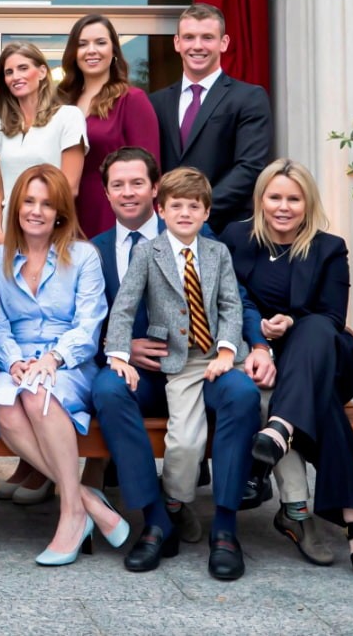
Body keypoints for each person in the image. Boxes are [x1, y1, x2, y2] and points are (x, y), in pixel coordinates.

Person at [89, 148, 274, 572]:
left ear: (153, 188)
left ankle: (225, 527)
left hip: (210, 361)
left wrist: (253, 347)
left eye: (137, 182)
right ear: (106, 193)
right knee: (109, 389)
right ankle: (157, 519)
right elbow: (111, 309)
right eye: (118, 184)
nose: (127, 192)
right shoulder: (96, 249)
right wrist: (119, 349)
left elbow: (234, 302)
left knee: (242, 393)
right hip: (146, 369)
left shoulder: (213, 249)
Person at [222, 159, 353, 580]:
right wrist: (259, 335)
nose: (283, 206)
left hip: (325, 363)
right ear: (260, 199)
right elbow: (228, 301)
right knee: (323, 407)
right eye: (275, 197)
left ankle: (279, 426)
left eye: (293, 198)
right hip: (265, 366)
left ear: (307, 202)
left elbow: (333, 318)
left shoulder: (328, 247)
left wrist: (291, 323)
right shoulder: (236, 238)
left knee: (313, 325)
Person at [0, 164, 125, 565]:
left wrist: (52, 357)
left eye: (46, 203)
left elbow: (89, 322)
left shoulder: (83, 257)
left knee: (39, 395)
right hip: (17, 362)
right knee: (5, 406)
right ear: (15, 206)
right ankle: (84, 499)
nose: (36, 211)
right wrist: (14, 361)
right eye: (28, 201)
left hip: (69, 364)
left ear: (60, 210)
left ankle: (71, 514)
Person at [148, 3, 272, 232]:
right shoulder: (156, 103)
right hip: (165, 233)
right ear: (177, 43)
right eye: (189, 37)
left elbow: (249, 167)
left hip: (226, 230)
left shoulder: (249, 97)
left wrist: (197, 212)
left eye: (207, 37)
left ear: (223, 43)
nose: (197, 46)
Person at [58, 14, 160, 237]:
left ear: (114, 50)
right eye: (82, 44)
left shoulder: (132, 100)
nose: (91, 50)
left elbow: (150, 170)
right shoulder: (60, 102)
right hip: (62, 211)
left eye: (100, 43)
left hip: (111, 214)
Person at [0, 41, 88, 247]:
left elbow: (70, 187)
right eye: (9, 72)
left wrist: (40, 230)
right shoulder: (2, 125)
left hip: (51, 234)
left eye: (23, 68)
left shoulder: (68, 117)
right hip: (8, 237)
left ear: (42, 72)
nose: (15, 77)